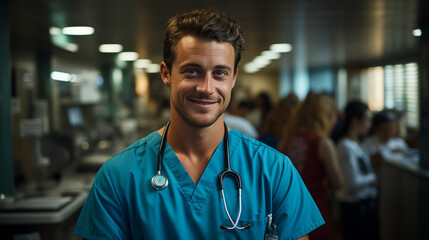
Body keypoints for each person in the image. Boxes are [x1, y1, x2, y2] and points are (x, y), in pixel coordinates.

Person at [74, 9, 324, 239]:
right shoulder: (118, 176)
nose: (206, 88)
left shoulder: (274, 171)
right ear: (166, 74)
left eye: (220, 73)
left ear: (234, 78)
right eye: (192, 71)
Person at [277, 92, 343, 240]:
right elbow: (337, 182)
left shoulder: (288, 138)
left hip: (288, 209)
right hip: (315, 210)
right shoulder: (323, 143)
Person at [336, 101, 379, 240]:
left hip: (365, 205)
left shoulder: (357, 143)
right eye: (367, 120)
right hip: (354, 208)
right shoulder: (345, 146)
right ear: (355, 121)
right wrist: (375, 178)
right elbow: (351, 184)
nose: (369, 125)